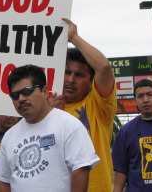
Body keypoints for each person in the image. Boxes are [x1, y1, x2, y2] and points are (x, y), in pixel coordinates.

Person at [0, 64, 100, 192]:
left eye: (27, 91)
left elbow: (81, 171)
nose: (20, 98)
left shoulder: (69, 125)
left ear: (45, 91)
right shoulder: (10, 136)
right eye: (15, 95)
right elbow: (4, 181)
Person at [50, 18, 117, 192]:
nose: (71, 80)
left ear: (91, 82)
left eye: (79, 75)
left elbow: (104, 68)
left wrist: (74, 38)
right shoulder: (45, 107)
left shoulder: (99, 105)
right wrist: (47, 115)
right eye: (67, 72)